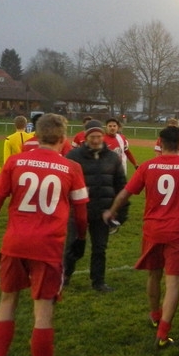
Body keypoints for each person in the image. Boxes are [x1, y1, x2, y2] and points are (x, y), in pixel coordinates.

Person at [0, 113, 89, 356]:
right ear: (63, 138)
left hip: (14, 244)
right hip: (47, 248)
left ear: (35, 136)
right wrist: (81, 239)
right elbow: (81, 212)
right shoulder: (72, 167)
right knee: (43, 311)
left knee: (7, 301)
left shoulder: (15, 162)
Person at [104, 126, 179, 348]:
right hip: (178, 232)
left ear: (159, 142)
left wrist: (112, 210)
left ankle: (154, 315)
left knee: (153, 274)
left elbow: (125, 193)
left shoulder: (148, 166)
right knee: (173, 282)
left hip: (152, 230)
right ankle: (162, 334)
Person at [63, 120, 127, 293]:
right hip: (78, 212)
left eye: (99, 136)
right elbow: (64, 184)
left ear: (103, 136)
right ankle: (64, 276)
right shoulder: (73, 156)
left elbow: (121, 185)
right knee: (72, 246)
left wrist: (121, 212)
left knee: (100, 248)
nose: (96, 140)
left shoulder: (112, 157)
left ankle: (98, 281)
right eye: (92, 137)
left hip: (102, 212)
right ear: (86, 137)